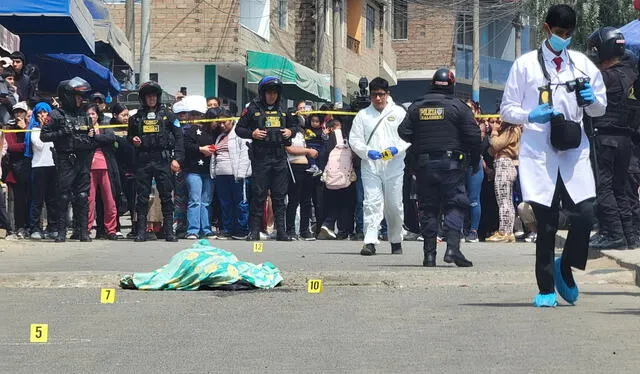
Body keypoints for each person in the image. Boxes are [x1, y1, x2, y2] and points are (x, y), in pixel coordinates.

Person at [500, 4, 607, 307]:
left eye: (569, 34)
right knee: (546, 223)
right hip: (539, 151)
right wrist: (530, 114)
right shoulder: (525, 66)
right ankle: (546, 287)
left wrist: (592, 100)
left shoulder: (582, 64)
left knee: (586, 213)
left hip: (574, 150)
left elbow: (600, 107)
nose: (564, 39)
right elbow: (507, 108)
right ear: (546, 29)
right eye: (560, 33)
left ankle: (566, 265)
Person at [398, 69, 480, 267]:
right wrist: (475, 158)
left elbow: (403, 131)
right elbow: (474, 136)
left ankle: (429, 256)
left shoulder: (417, 106)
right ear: (451, 86)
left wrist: (422, 139)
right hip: (451, 165)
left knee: (428, 208)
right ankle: (452, 249)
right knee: (454, 204)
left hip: (424, 166)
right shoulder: (458, 107)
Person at [585, 27, 639, 250]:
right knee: (620, 188)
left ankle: (613, 232)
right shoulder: (632, 75)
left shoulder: (605, 78)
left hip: (606, 138)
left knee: (604, 187)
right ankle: (629, 234)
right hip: (627, 140)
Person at [349, 77, 409, 256]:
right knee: (371, 203)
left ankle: (396, 239)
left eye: (381, 95)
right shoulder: (363, 115)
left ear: (387, 94)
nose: (378, 99)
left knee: (394, 205)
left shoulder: (399, 112)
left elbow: (407, 136)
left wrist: (396, 149)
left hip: (394, 165)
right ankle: (370, 241)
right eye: (374, 95)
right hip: (371, 165)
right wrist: (367, 152)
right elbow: (354, 139)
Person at [235, 76, 296, 241]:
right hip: (261, 158)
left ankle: (281, 232)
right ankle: (254, 231)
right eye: (269, 92)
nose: (272, 96)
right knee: (259, 195)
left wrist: (291, 132)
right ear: (263, 93)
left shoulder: (284, 108)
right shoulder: (252, 108)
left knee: (279, 196)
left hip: (279, 157)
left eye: (275, 92)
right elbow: (239, 129)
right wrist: (252, 133)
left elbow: (294, 126)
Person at [128, 81, 184, 242]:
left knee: (166, 195)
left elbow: (179, 137)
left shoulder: (168, 115)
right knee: (142, 197)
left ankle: (168, 231)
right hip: (143, 160)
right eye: (148, 96)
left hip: (163, 159)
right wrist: (134, 140)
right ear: (143, 98)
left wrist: (177, 159)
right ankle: (141, 231)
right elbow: (129, 136)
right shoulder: (136, 118)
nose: (151, 99)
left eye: (154, 96)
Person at [41, 77, 96, 243]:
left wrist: (92, 137)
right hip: (66, 159)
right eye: (77, 96)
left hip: (83, 159)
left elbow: (90, 134)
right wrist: (60, 133)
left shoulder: (83, 114)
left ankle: (83, 231)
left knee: (82, 195)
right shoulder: (56, 115)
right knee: (63, 196)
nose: (81, 100)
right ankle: (61, 231)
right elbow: (44, 135)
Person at [211, 110, 252, 240]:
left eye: (224, 122)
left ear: (232, 120)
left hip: (236, 175)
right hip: (221, 175)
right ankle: (228, 229)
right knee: (225, 203)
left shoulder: (240, 134)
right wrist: (214, 172)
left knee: (240, 202)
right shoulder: (220, 137)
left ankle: (242, 229)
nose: (222, 125)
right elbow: (214, 156)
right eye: (220, 123)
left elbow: (245, 154)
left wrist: (241, 173)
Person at [182, 95, 216, 239]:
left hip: (208, 170)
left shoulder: (211, 131)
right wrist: (201, 149)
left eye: (199, 114)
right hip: (193, 170)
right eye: (193, 114)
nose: (196, 117)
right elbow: (186, 146)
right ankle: (193, 230)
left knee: (206, 201)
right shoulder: (187, 130)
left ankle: (206, 229)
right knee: (195, 200)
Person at [86, 104, 121, 240]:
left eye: (93, 114)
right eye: (88, 114)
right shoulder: (83, 127)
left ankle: (111, 229)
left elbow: (111, 138)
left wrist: (95, 136)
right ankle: (86, 229)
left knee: (109, 200)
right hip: (89, 168)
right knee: (89, 201)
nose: (91, 117)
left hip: (106, 167)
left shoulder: (104, 126)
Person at [25, 102, 58, 240]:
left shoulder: (55, 128)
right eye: (40, 112)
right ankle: (35, 228)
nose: (42, 115)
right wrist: (43, 127)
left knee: (52, 199)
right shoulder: (33, 129)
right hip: (38, 166)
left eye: (45, 112)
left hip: (52, 165)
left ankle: (52, 227)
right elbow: (38, 144)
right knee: (37, 199)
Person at [485, 119, 521, 243]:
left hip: (505, 164)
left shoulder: (511, 130)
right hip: (502, 163)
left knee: (504, 200)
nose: (497, 123)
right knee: (504, 200)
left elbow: (495, 145)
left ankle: (505, 231)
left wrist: (494, 132)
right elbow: (491, 151)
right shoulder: (508, 131)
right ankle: (506, 230)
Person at [284, 121, 318, 240]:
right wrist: (307, 151)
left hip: (306, 167)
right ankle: (290, 229)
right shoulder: (287, 132)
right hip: (294, 167)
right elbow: (289, 148)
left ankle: (304, 230)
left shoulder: (303, 132)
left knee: (306, 201)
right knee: (294, 200)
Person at [4, 101, 31, 239]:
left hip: (30, 168)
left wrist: (26, 129)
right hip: (15, 170)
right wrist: (25, 144)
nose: (18, 114)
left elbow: (34, 144)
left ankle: (30, 226)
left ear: (26, 114)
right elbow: (12, 147)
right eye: (16, 112)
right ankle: (19, 227)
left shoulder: (30, 127)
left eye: (21, 111)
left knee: (30, 199)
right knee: (19, 201)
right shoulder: (9, 128)